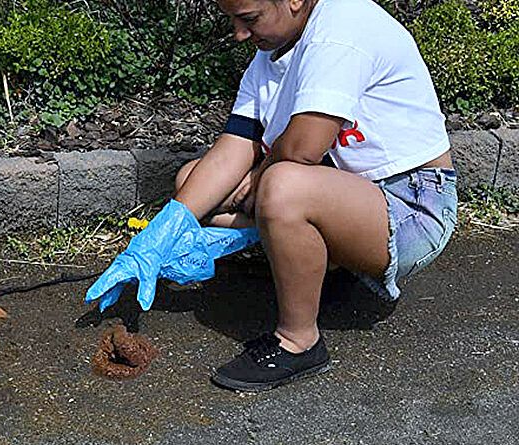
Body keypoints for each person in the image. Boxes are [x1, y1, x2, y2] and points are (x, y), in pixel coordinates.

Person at [87, 0, 457, 392]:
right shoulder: (271, 55)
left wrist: (259, 182)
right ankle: (310, 262)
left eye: (248, 19)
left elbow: (305, 147)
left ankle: (299, 342)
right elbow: (234, 146)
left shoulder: (343, 25)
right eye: (232, 20)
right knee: (193, 180)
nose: (239, 34)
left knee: (282, 188)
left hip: (411, 208)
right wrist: (162, 230)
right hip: (350, 192)